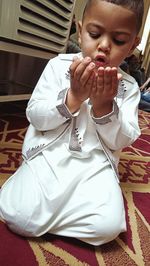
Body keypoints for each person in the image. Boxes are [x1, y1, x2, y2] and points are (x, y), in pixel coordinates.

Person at [0, 0, 144, 246]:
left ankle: (55, 215)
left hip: (95, 165)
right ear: (80, 30)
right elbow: (35, 116)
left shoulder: (128, 87)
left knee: (107, 227)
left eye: (119, 40)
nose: (104, 46)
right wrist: (73, 98)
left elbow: (123, 139)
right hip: (49, 155)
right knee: (21, 217)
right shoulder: (58, 67)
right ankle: (47, 208)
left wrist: (104, 107)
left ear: (133, 44)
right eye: (95, 34)